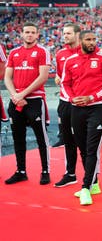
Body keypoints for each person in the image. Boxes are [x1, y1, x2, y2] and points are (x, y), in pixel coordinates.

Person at [60, 30, 102, 205]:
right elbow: (65, 84)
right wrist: (71, 98)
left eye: (93, 39)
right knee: (82, 148)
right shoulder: (70, 60)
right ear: (80, 41)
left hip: (97, 108)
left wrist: (92, 97)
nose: (92, 42)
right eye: (88, 40)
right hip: (76, 108)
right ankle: (95, 183)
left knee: (92, 148)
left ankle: (85, 188)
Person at [4, 22, 52, 185]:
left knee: (41, 138)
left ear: (37, 35)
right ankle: (21, 171)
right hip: (16, 101)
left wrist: (22, 94)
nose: (29, 35)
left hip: (34, 100)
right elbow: (7, 77)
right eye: (27, 32)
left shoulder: (42, 51)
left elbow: (43, 76)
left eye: (32, 32)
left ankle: (45, 171)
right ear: (22, 34)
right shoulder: (14, 52)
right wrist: (15, 95)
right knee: (18, 137)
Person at [52, 23, 81, 188]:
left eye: (68, 33)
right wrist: (58, 77)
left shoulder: (86, 51)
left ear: (77, 35)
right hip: (65, 102)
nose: (65, 36)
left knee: (84, 143)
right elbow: (59, 74)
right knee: (68, 140)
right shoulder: (61, 53)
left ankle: (92, 178)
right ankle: (70, 173)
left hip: (83, 104)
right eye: (64, 33)